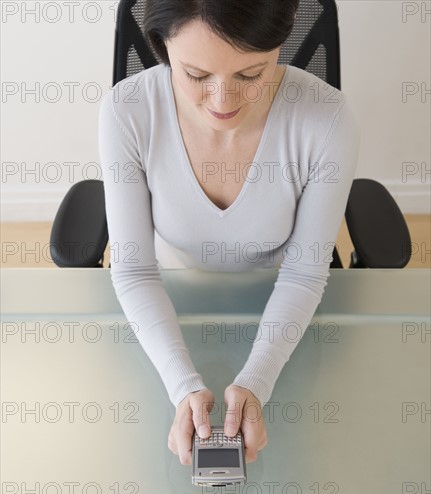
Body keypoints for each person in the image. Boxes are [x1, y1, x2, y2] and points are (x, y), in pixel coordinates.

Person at [98, 0, 361, 466]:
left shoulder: (328, 119)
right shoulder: (127, 111)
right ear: (160, 48)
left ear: (280, 44)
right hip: (164, 312)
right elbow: (135, 270)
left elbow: (303, 275)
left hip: (281, 314)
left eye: (250, 74)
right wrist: (182, 385)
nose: (223, 101)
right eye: (197, 76)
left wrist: (256, 382)